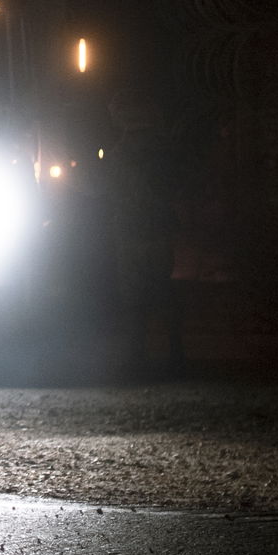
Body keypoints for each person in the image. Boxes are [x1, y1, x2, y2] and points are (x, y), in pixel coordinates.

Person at [104, 90, 184, 379]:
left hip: (132, 231)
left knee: (134, 297)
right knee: (162, 292)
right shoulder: (165, 151)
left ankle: (138, 359)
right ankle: (175, 356)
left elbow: (110, 189)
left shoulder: (121, 154)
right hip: (156, 230)